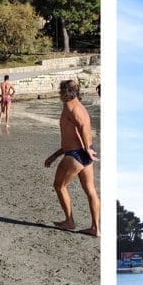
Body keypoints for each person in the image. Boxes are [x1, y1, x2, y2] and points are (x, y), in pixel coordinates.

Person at [44, 80, 100, 236]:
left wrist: (86, 148)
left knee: (59, 186)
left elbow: (83, 126)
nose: (59, 93)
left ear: (65, 91)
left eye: (60, 90)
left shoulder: (70, 106)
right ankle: (96, 228)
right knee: (90, 190)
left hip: (77, 153)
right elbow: (74, 135)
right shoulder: (78, 106)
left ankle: (69, 221)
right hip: (83, 152)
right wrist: (55, 155)